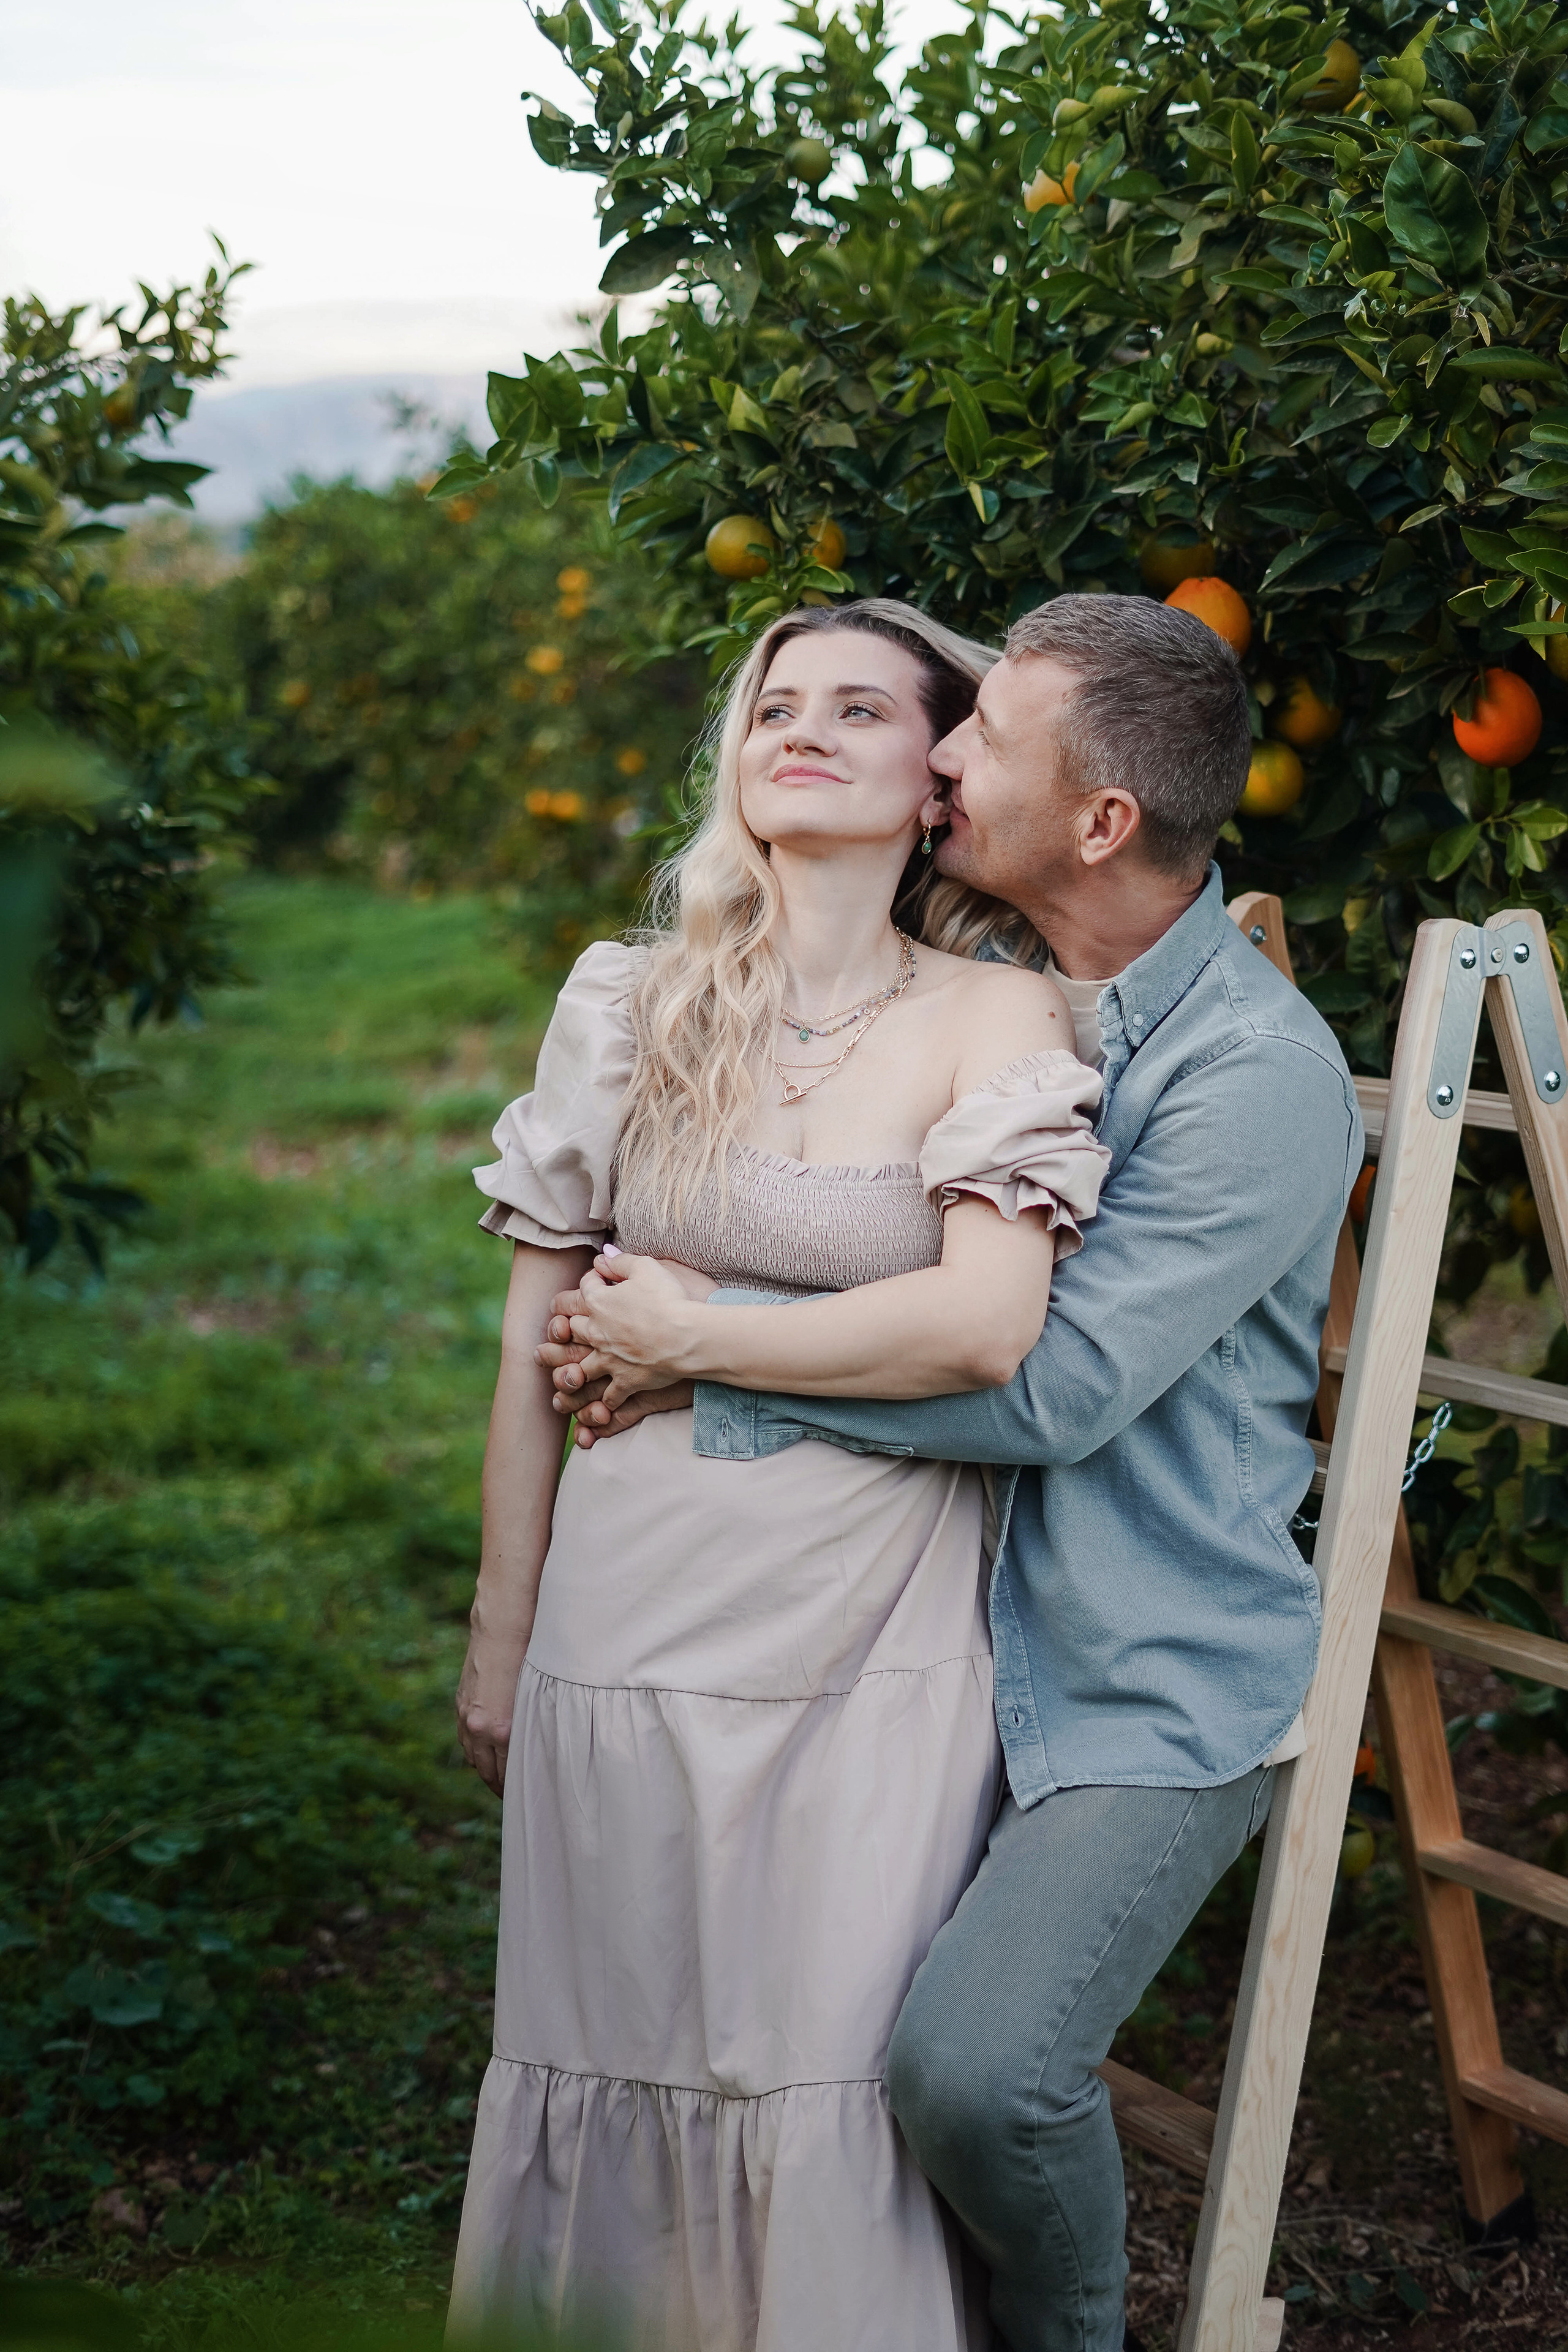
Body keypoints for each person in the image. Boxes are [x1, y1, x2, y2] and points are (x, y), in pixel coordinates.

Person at [541, 593, 1363, 2352]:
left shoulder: (1248, 1077)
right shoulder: (967, 973)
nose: (944, 751)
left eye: (981, 736)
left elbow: (1046, 1386)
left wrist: (700, 1360)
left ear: (1103, 821)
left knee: (973, 2076)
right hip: (909, 1635)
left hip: (1133, 1666)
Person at [447, 597, 1113, 2349]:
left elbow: (980, 1331)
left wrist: (689, 1337)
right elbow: (534, 1345)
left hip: (870, 1626)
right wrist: (500, 1624)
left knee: (816, 2057)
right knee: (621, 2041)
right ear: (737, 767)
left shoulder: (1002, 1016)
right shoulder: (629, 1001)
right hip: (624, 1599)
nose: (803, 731)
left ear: (935, 780)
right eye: (774, 708)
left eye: (860, 710)